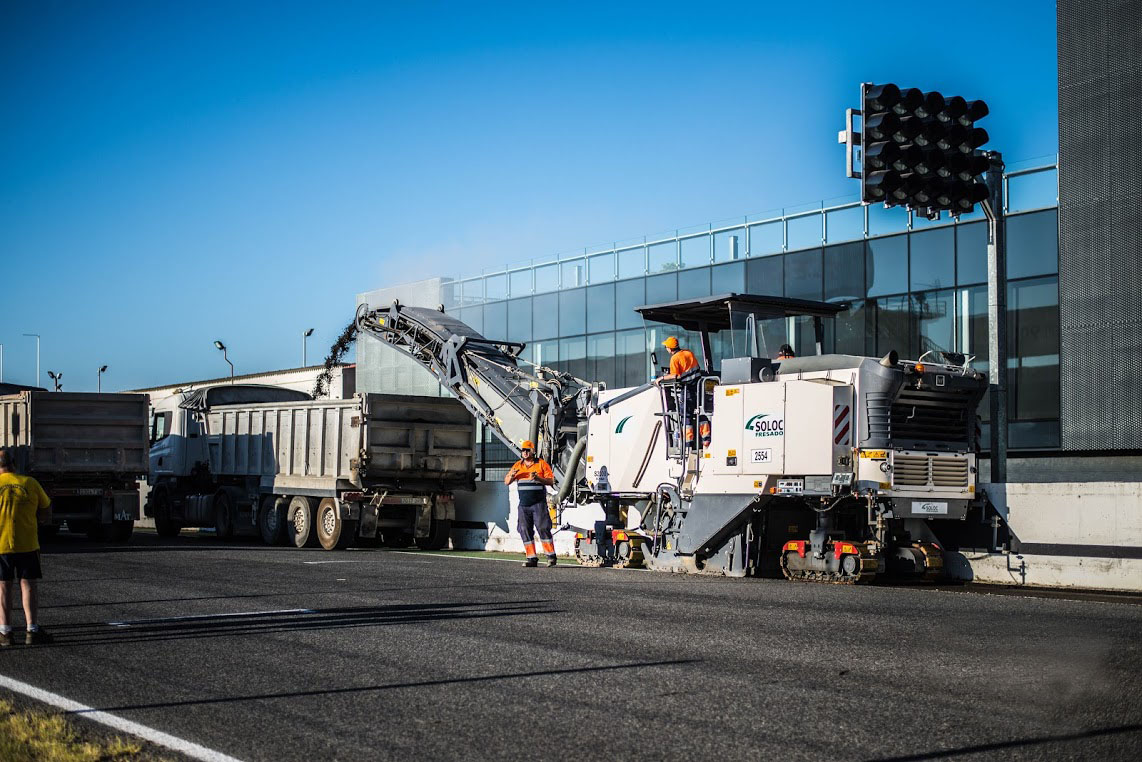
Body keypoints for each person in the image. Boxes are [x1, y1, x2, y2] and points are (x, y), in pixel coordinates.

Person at [0, 447, 52, 646]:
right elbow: (46, 507)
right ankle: (32, 630)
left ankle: (5, 632)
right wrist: (39, 521)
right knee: (28, 584)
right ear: (13, 464)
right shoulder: (30, 483)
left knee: (3, 587)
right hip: (27, 543)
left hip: (1, 544)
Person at [504, 440, 557, 567]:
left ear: (532, 451)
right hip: (524, 505)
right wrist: (512, 475)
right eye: (523, 450)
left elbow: (551, 481)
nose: (525, 452)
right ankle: (531, 558)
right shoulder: (517, 465)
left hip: (538, 503)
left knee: (543, 528)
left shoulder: (541, 464)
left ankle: (551, 556)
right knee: (524, 529)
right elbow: (506, 482)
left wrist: (538, 478)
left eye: (528, 450)